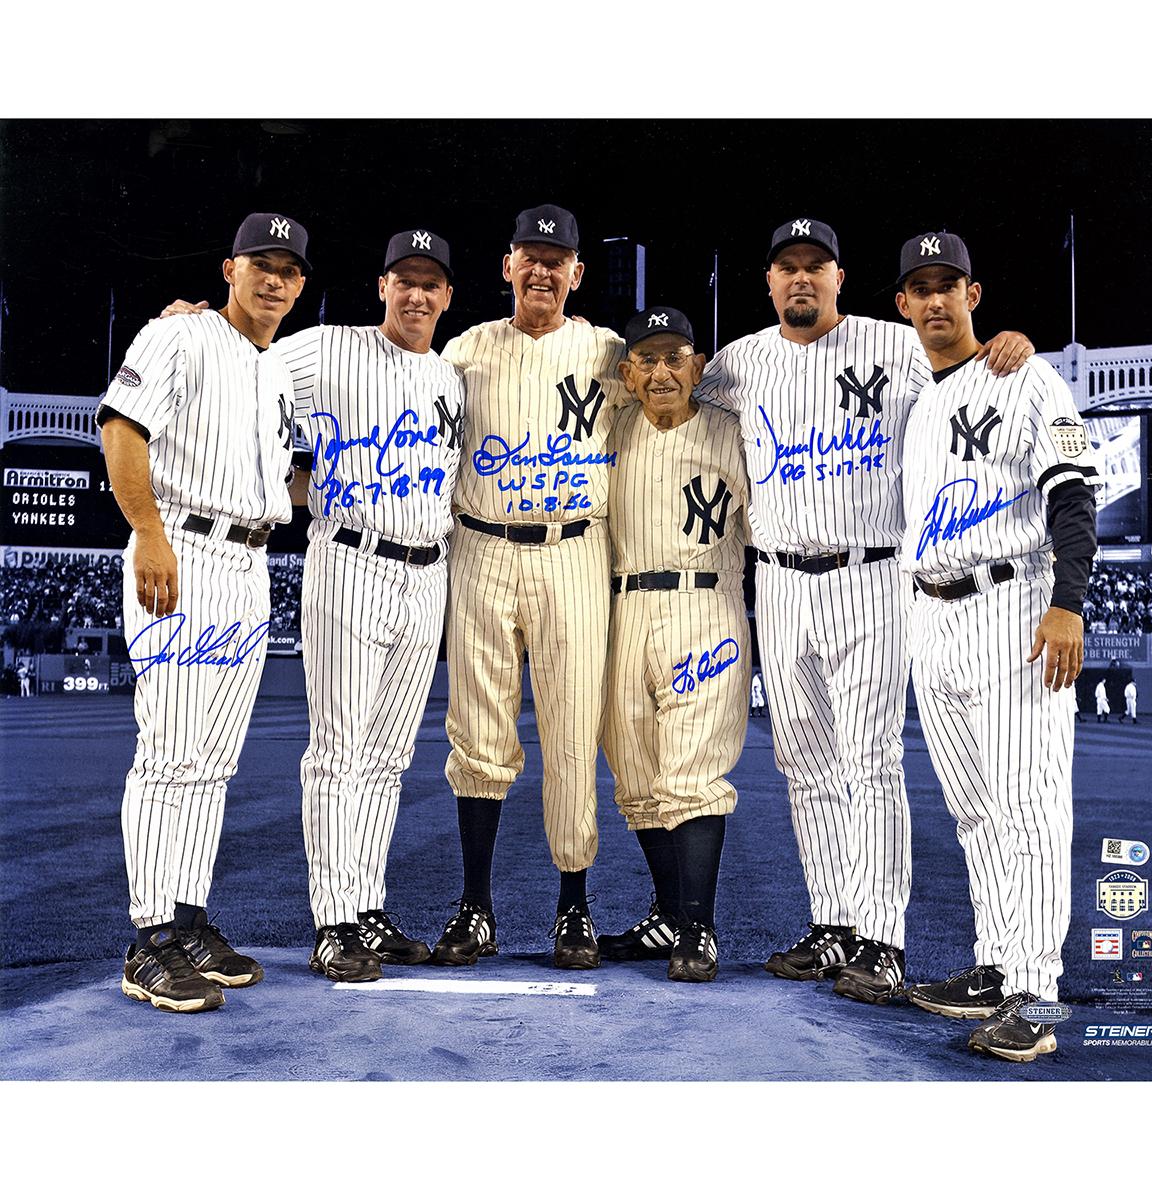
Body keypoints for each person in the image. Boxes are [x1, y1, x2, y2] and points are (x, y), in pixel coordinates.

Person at [694, 217, 1033, 1004]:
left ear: (840, 278)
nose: (802, 278)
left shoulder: (896, 345)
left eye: (817, 266)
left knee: (869, 759)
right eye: (788, 267)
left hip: (870, 573)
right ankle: (834, 924)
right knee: (804, 764)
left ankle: (881, 939)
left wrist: (1006, 343)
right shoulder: (741, 363)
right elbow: (668, 387)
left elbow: (971, 364)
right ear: (770, 281)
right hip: (776, 581)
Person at [161, 230, 464, 983]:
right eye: (405, 280)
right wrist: (193, 325)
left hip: (429, 571)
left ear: (449, 296)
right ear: (382, 287)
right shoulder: (328, 348)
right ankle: (333, 923)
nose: (418, 294)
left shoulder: (452, 379)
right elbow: (245, 356)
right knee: (339, 751)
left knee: (389, 759)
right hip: (351, 559)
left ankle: (365, 907)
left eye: (431, 283)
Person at [893, 231, 1098, 1062]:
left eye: (950, 284)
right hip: (932, 617)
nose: (935, 299)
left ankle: (1038, 996)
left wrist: (1068, 604)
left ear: (974, 296)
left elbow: (1073, 490)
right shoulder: (921, 396)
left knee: (1029, 807)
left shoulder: (1026, 375)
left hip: (1012, 607)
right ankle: (997, 964)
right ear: (902, 304)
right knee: (977, 810)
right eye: (920, 287)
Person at [100, 212, 309, 1012]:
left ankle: (187, 921)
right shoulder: (178, 338)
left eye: (289, 270)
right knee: (170, 749)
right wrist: (148, 531)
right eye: (261, 263)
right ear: (230, 269)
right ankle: (148, 938)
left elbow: (275, 478)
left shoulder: (279, 369)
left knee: (212, 759)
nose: (274, 279)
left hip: (249, 562)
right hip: (182, 549)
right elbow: (122, 429)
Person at [434, 205, 626, 969]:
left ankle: (572, 909)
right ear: (507, 266)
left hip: (574, 549)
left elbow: (689, 384)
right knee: (477, 732)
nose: (543, 270)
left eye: (558, 259)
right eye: (530, 256)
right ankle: (474, 906)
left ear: (577, 273)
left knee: (575, 731)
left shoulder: (611, 352)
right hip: (481, 548)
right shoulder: (463, 350)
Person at [597, 306, 750, 983]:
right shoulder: (610, 427)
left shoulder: (735, 433)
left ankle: (699, 929)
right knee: (636, 778)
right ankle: (667, 914)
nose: (662, 372)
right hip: (622, 607)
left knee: (692, 773)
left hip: (704, 602)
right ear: (628, 372)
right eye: (647, 359)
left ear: (698, 365)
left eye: (675, 357)